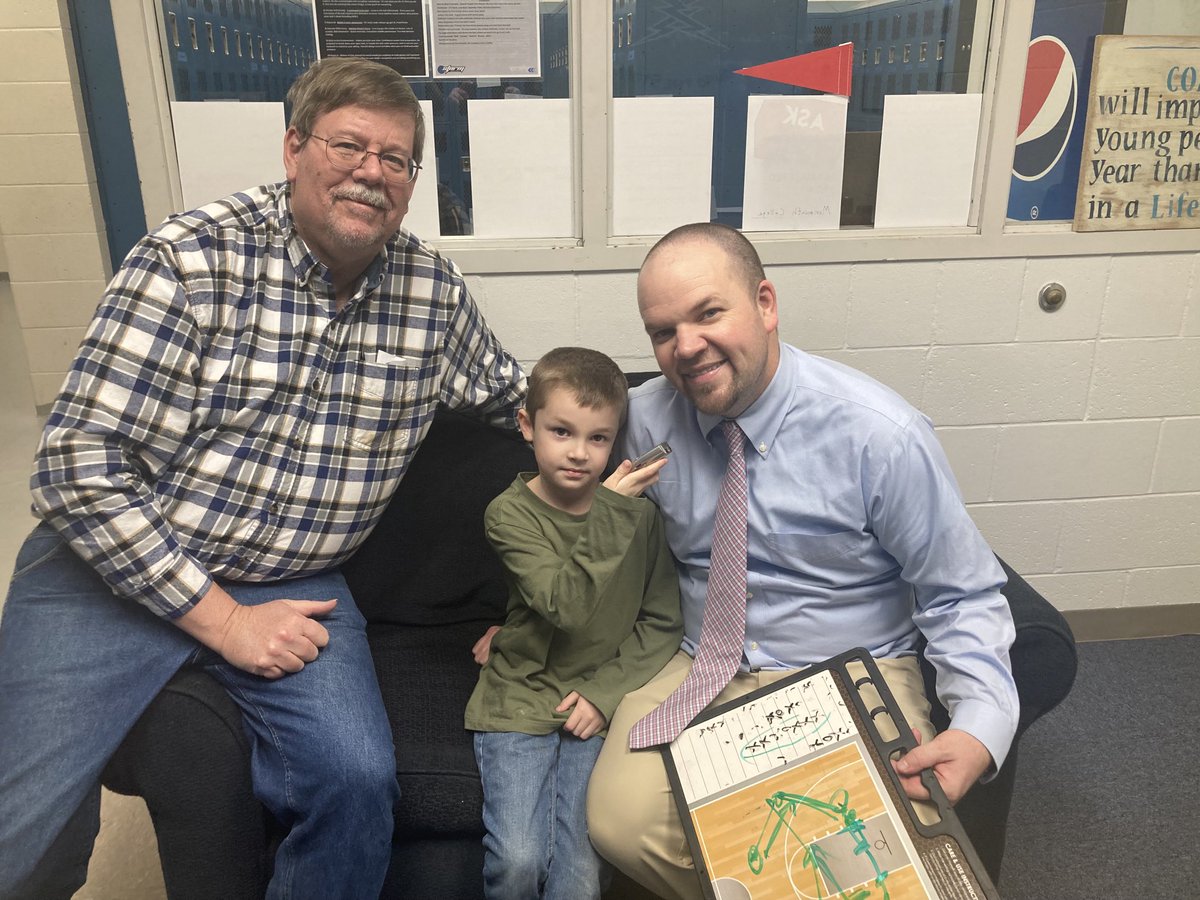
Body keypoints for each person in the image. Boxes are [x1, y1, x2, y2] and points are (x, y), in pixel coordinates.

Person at [0, 57, 525, 900]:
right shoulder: (191, 258)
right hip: (109, 568)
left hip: (295, 578)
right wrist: (224, 622)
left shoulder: (432, 293)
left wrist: (651, 426)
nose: (371, 172)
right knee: (22, 840)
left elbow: (515, 398)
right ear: (293, 148)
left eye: (396, 159)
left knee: (356, 784)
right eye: (348, 146)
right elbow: (77, 467)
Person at [586, 222, 1019, 899]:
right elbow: (561, 501)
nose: (686, 347)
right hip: (699, 661)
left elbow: (960, 594)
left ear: (765, 304)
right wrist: (528, 619)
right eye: (663, 332)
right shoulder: (642, 420)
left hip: (849, 666)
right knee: (619, 821)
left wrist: (979, 729)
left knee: (858, 844)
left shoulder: (880, 435)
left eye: (708, 313)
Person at [465, 347, 683, 900]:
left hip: (596, 702)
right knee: (517, 860)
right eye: (561, 432)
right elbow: (566, 605)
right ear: (527, 426)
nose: (579, 453)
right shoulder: (508, 514)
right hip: (520, 697)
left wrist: (603, 695)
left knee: (580, 880)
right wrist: (610, 514)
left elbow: (661, 623)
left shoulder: (640, 518)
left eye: (598, 438)